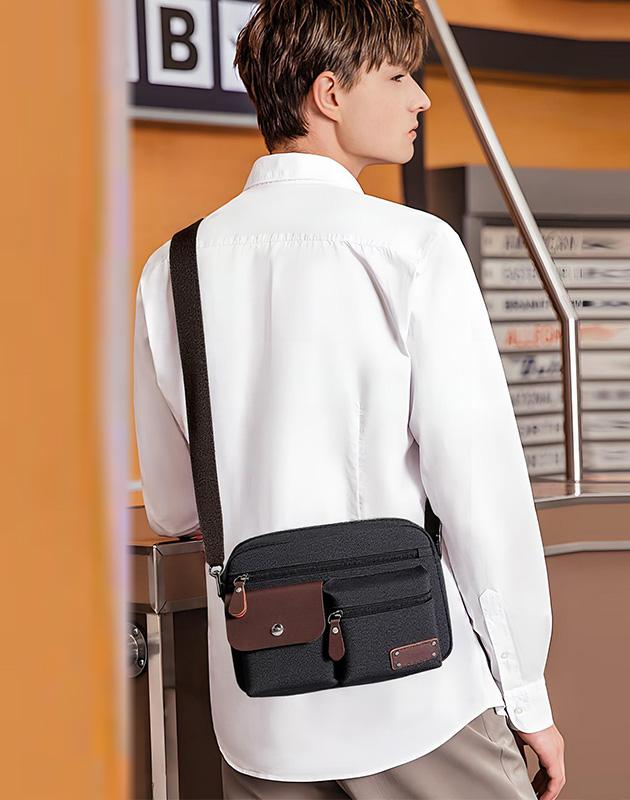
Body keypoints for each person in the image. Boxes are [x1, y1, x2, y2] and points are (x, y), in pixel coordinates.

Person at [132, 0, 566, 798]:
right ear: (328, 95)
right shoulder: (413, 248)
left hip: (263, 714)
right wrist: (526, 692)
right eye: (398, 77)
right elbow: (479, 497)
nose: (421, 99)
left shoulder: (172, 269)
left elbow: (172, 506)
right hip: (415, 695)